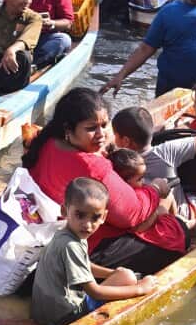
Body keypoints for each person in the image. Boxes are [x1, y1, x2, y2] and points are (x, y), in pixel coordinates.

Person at [23, 88, 186, 275]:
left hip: (52, 232)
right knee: (176, 231)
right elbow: (130, 215)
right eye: (91, 128)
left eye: (104, 125)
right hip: (83, 246)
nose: (101, 134)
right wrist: (155, 189)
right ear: (68, 130)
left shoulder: (46, 142)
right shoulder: (91, 166)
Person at [30, 178, 157, 325]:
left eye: (95, 217)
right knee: (128, 278)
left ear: (103, 217)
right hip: (64, 318)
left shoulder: (67, 233)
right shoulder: (71, 245)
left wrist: (112, 273)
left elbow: (84, 265)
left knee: (123, 274)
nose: (87, 225)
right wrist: (140, 289)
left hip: (44, 314)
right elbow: (95, 292)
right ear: (64, 211)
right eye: (80, 215)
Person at [109, 106, 196, 223]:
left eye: (115, 136)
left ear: (125, 141)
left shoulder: (116, 163)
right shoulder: (166, 151)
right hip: (182, 215)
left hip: (145, 215)